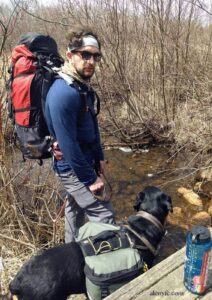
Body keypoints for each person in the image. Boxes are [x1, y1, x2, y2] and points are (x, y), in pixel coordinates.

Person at [45, 27, 115, 242]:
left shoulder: (80, 86)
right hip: (71, 168)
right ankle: (109, 273)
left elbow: (91, 124)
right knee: (105, 216)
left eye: (95, 56)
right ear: (70, 55)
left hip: (85, 160)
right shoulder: (63, 93)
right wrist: (90, 178)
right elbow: (68, 144)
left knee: (74, 210)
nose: (91, 61)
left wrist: (100, 155)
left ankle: (71, 252)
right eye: (85, 55)